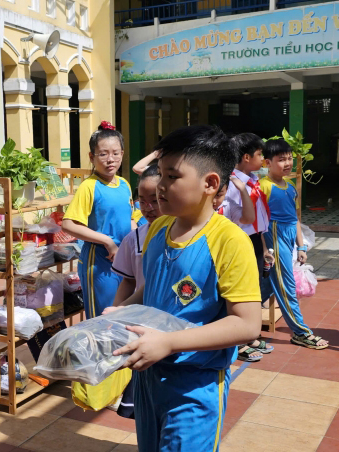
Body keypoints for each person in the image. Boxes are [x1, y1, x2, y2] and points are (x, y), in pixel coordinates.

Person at [104, 125, 262, 452]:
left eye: (172, 177)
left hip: (195, 385)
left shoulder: (230, 241)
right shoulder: (157, 228)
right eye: (161, 174)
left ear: (210, 183)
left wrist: (170, 342)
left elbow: (247, 323)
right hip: (149, 376)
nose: (160, 186)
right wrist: (124, 311)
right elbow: (152, 291)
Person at [261, 139, 329, 350]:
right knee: (286, 286)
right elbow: (260, 223)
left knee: (264, 287)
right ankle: (301, 332)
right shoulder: (264, 187)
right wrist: (265, 249)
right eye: (281, 160)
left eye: (289, 158)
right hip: (274, 240)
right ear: (267, 163)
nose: (287, 163)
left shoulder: (290, 187)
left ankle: (236, 324)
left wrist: (301, 246)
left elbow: (294, 219)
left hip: (289, 239)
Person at [62, 121, 133, 320]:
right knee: (102, 319)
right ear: (92, 157)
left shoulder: (124, 184)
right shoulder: (89, 186)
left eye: (115, 153)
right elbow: (68, 224)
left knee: (122, 316)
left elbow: (131, 219)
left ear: (122, 153)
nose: (110, 159)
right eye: (103, 154)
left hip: (124, 261)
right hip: (99, 263)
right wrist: (107, 241)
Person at [109, 163, 162, 418]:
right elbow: (129, 281)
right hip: (140, 321)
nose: (148, 207)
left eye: (155, 199)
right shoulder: (134, 239)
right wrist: (117, 315)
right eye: (142, 200)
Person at [214, 176, 270, 362]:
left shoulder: (227, 205)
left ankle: (239, 340)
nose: (215, 200)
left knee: (231, 300)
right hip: (210, 261)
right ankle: (236, 343)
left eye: (220, 194)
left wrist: (243, 190)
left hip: (228, 261)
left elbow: (249, 218)